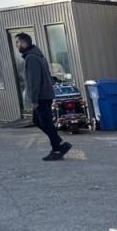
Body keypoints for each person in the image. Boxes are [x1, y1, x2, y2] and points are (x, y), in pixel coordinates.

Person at [15, 32, 71, 161]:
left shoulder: (31, 58)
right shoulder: (37, 55)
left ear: (24, 43)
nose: (17, 45)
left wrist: (34, 100)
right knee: (38, 121)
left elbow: (35, 80)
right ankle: (60, 143)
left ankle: (57, 149)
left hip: (41, 96)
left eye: (17, 42)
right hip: (45, 94)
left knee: (46, 123)